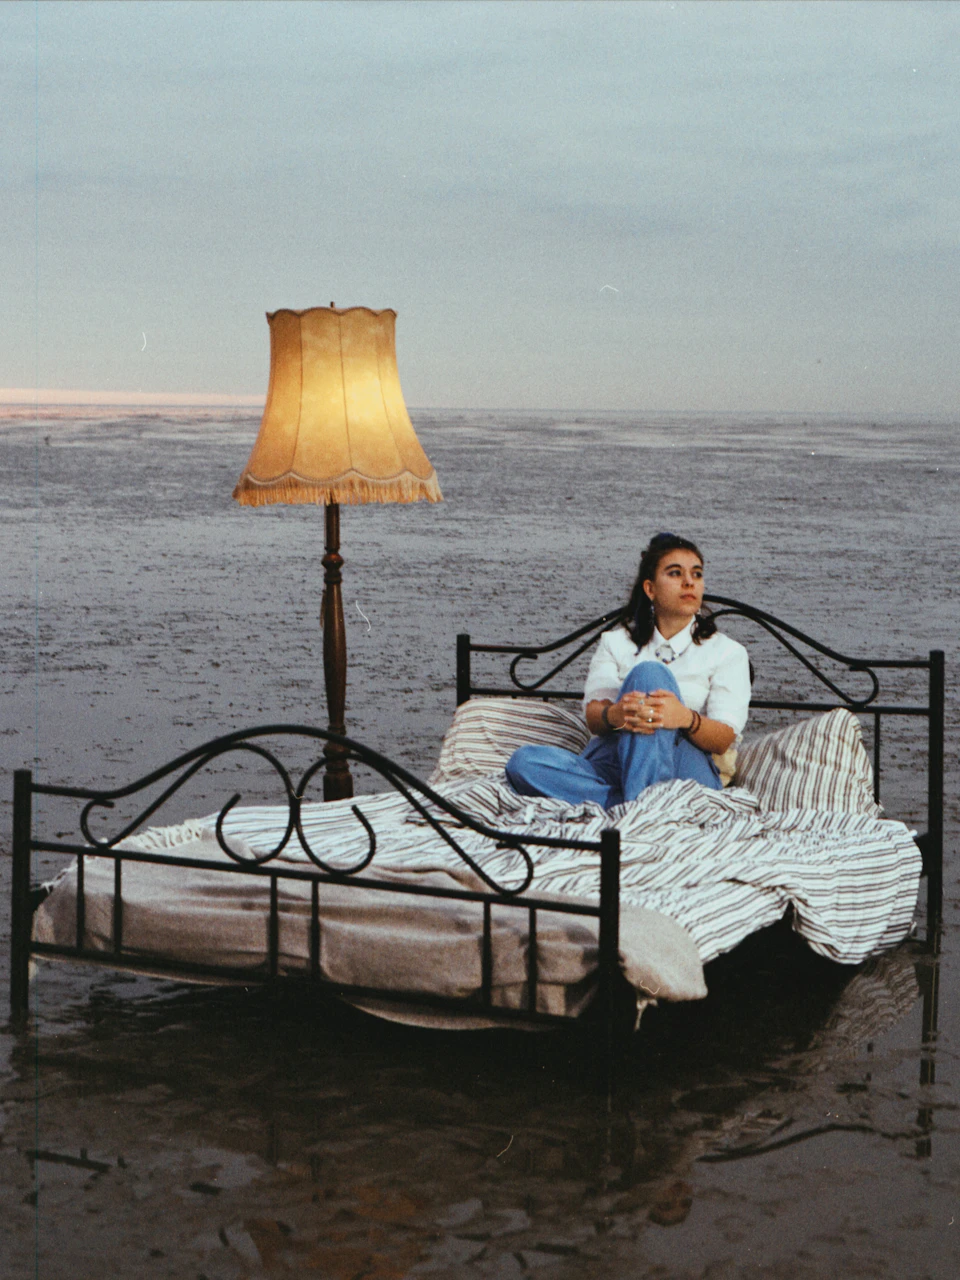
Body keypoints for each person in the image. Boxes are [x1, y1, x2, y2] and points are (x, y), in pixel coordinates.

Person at [505, 533, 751, 809]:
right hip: (616, 759)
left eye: (697, 574)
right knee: (523, 764)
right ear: (650, 589)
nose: (689, 582)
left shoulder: (727, 652)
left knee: (650, 675)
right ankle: (639, 805)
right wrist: (616, 714)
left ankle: (633, 806)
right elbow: (594, 717)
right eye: (675, 573)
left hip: (684, 763)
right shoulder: (616, 642)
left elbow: (723, 739)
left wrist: (685, 718)